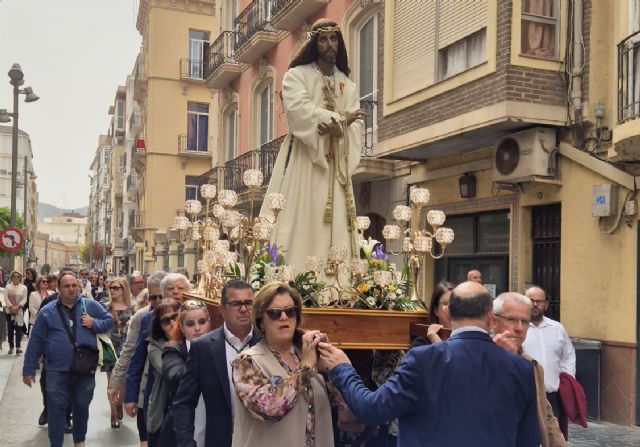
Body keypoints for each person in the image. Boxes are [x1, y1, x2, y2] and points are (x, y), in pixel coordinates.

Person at [318, 281, 540, 447]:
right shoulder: (521, 368)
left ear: (448, 313)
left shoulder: (423, 360)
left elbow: (372, 409)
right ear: (491, 317)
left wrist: (343, 368)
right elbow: (528, 439)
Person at [260, 18, 366, 274]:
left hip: (336, 162)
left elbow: (357, 122)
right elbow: (298, 110)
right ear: (314, 44)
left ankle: (339, 278)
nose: (330, 44)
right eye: (323, 39)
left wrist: (341, 127)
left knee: (338, 220)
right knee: (303, 213)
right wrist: (340, 120)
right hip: (306, 157)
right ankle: (297, 273)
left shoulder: (347, 84)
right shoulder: (297, 76)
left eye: (334, 39)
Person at [231, 281, 335, 447]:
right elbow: (270, 408)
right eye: (274, 313)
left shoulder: (308, 353)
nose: (284, 317)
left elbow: (345, 412)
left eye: (290, 311)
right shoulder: (246, 362)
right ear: (261, 322)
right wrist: (305, 368)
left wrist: (330, 370)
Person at [22, 271, 114, 447]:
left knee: (81, 406)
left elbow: (109, 321)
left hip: (84, 368)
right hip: (56, 369)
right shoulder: (47, 311)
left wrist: (94, 323)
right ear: (58, 288)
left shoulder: (90, 305)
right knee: (56, 409)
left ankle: (79, 441)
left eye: (74, 286)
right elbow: (36, 341)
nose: (71, 289)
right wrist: (28, 369)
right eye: (67, 286)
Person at [174, 280, 260, 447]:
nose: (244, 309)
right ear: (222, 309)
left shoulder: (266, 342)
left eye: (248, 303)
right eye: (236, 304)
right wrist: (186, 443)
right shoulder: (203, 348)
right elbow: (184, 402)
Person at [493, 292, 566, 447]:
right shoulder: (480, 358)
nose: (519, 328)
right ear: (493, 320)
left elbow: (546, 415)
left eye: (525, 322)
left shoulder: (532, 366)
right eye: (511, 319)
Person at [108, 270, 167, 447]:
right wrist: (115, 383)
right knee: (146, 440)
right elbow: (129, 352)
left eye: (161, 296)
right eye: (153, 297)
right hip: (146, 388)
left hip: (171, 389)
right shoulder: (142, 317)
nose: (157, 301)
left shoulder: (181, 315)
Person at [124, 274, 190, 424]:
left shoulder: (197, 317)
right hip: (157, 391)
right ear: (164, 292)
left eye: (180, 288)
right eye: (171, 288)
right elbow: (137, 358)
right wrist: (131, 396)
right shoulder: (148, 318)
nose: (176, 292)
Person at [155, 299, 212, 447]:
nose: (197, 328)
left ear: (209, 322)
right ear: (182, 327)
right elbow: (175, 375)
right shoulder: (173, 349)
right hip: (181, 429)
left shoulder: (218, 349)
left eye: (202, 322)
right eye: (190, 324)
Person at [522, 286, 576, 418]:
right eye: (531, 300)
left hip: (552, 396)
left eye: (539, 301)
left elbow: (568, 356)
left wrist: (567, 381)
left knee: (553, 430)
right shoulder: (517, 327)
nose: (535, 304)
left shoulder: (557, 328)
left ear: (546, 304)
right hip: (525, 395)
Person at [146, 299, 181, 446]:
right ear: (159, 326)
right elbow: (168, 371)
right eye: (166, 321)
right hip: (164, 409)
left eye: (175, 317)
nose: (172, 323)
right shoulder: (155, 346)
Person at [102, 276, 135, 428]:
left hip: (126, 346)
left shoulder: (132, 307)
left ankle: (119, 402)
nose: (112, 290)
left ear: (124, 289)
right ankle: (114, 413)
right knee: (112, 382)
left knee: (124, 382)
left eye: (116, 287)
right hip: (109, 346)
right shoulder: (105, 307)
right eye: (111, 287)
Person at [411, 281, 454, 347]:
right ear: (436, 310)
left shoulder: (465, 338)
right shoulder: (421, 343)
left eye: (455, 303)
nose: (451, 308)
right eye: (446, 303)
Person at [4, 270, 28, 354]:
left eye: (18, 276)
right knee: (10, 329)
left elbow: (25, 299)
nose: (16, 278)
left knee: (19, 329)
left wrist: (18, 306)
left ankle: (18, 347)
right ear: (11, 277)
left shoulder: (24, 288)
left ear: (20, 278)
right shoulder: (8, 287)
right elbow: (6, 298)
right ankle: (11, 347)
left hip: (19, 310)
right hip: (9, 310)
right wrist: (11, 306)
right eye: (14, 276)